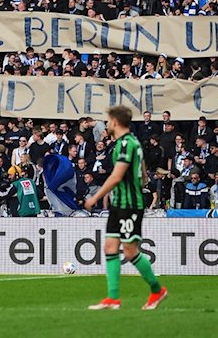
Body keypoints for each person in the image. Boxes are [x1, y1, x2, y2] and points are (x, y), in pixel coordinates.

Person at [85, 106, 167, 311]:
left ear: (115, 122)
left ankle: (157, 290)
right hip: (119, 204)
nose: (106, 125)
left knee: (130, 251)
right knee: (110, 247)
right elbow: (143, 170)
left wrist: (95, 196)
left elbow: (117, 175)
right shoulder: (131, 143)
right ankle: (113, 298)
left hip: (130, 205)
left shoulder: (126, 144)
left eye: (108, 121)